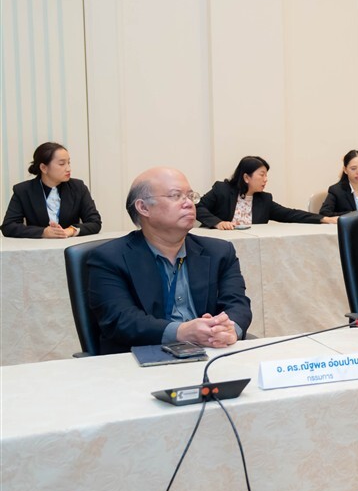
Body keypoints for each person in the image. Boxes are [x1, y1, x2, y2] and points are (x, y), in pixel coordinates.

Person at [87, 167, 252, 354]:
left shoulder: (220, 252)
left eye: (190, 196)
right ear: (143, 207)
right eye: (176, 196)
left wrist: (230, 330)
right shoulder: (109, 258)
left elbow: (237, 304)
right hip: (141, 358)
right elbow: (121, 320)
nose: (188, 203)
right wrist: (182, 332)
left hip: (211, 352)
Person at [196, 155, 336, 229]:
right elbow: (198, 207)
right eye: (262, 175)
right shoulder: (222, 190)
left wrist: (324, 219)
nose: (266, 179)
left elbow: (290, 214)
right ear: (246, 177)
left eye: (266, 175)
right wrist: (218, 223)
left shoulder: (264, 200)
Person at [2, 142, 102, 238]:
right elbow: (8, 226)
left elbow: (95, 222)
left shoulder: (78, 187)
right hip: (38, 248)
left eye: (68, 163)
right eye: (62, 164)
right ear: (44, 168)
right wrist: (43, 232)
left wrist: (71, 230)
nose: (68, 169)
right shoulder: (23, 191)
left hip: (70, 246)